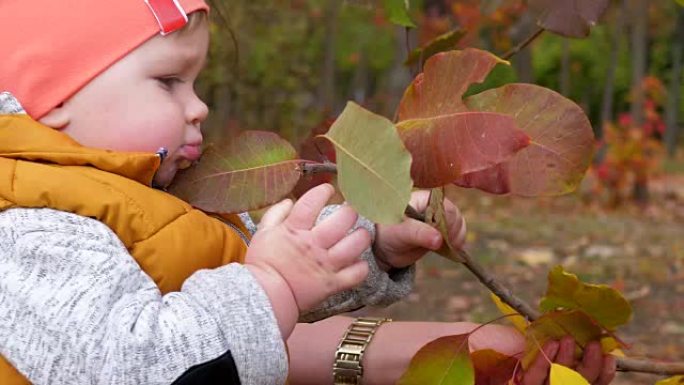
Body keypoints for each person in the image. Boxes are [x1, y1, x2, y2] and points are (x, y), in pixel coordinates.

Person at [0, 1, 616, 384]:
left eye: (196, 80)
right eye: (168, 83)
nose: (200, 106)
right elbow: (135, 368)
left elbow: (254, 295)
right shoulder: (27, 229)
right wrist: (275, 285)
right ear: (53, 101)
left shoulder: (146, 196)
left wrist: (372, 249)